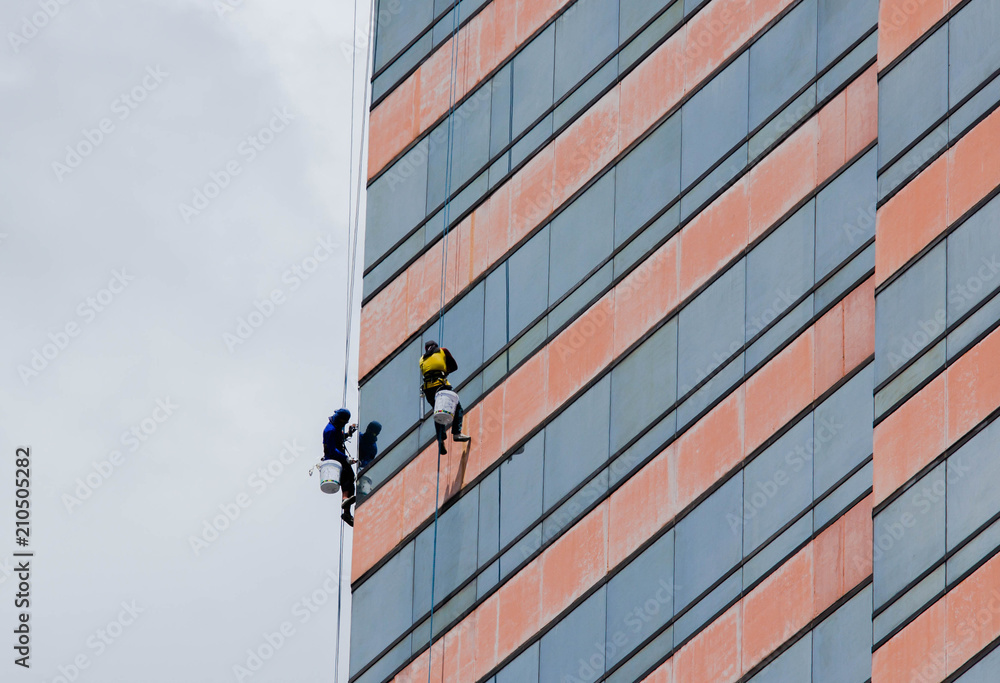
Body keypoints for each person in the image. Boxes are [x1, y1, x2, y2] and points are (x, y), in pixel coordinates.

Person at [419, 340, 470, 454]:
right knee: (457, 408)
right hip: (440, 386)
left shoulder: (422, 358)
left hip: (428, 390)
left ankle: (440, 440)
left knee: (438, 412)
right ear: (436, 346)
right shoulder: (442, 350)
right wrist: (445, 371)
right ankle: (456, 433)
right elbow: (454, 366)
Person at [323, 408, 357, 526]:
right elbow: (332, 450)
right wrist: (346, 458)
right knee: (346, 477)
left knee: (350, 477)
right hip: (334, 458)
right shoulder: (330, 430)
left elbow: (339, 439)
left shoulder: (337, 427)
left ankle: (347, 512)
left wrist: (349, 433)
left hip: (340, 457)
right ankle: (345, 499)